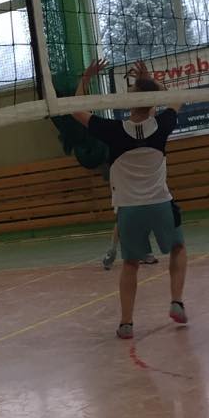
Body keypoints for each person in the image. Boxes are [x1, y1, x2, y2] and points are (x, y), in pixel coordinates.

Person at [73, 58, 187, 339]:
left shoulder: (113, 131)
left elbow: (75, 109)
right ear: (152, 102)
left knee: (131, 264)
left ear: (130, 102)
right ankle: (176, 301)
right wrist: (152, 83)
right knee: (178, 248)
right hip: (160, 204)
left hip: (129, 210)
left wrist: (85, 79)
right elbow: (177, 98)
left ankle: (126, 323)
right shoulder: (162, 125)